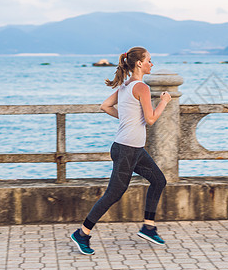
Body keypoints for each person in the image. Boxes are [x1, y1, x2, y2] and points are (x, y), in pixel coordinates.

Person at [71, 47, 172, 255]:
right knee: (113, 194)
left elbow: (105, 106)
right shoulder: (141, 87)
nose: (152, 64)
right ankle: (82, 234)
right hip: (127, 149)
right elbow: (151, 119)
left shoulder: (126, 85)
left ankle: (148, 227)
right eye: (150, 60)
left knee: (159, 180)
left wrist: (127, 119)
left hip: (132, 149)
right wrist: (163, 102)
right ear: (139, 64)